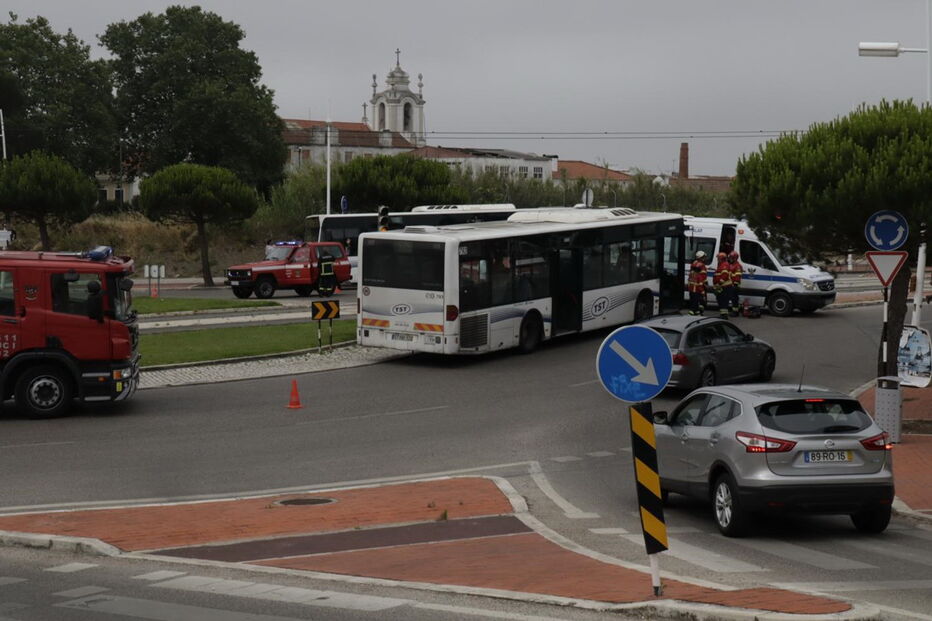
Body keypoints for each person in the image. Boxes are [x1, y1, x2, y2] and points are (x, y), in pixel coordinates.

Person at [712, 252, 733, 319]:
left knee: (723, 301)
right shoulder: (721, 264)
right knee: (721, 300)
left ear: (721, 258)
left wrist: (719, 284)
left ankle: (724, 316)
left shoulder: (724, 265)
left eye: (718, 258)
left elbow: (724, 275)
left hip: (724, 286)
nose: (717, 259)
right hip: (722, 286)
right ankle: (723, 314)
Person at [687, 250, 708, 316]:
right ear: (701, 257)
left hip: (691, 289)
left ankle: (697, 313)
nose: (705, 259)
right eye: (704, 257)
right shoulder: (702, 265)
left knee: (694, 301)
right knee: (700, 300)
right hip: (698, 288)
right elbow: (703, 277)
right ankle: (695, 312)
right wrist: (704, 288)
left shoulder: (694, 264)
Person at [727, 250, 743, 316]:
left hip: (734, 285)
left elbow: (738, 275)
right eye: (730, 257)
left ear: (735, 258)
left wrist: (735, 284)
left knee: (734, 299)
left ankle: (735, 312)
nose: (730, 259)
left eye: (731, 258)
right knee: (732, 298)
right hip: (731, 284)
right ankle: (734, 310)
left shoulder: (737, 266)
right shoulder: (731, 265)